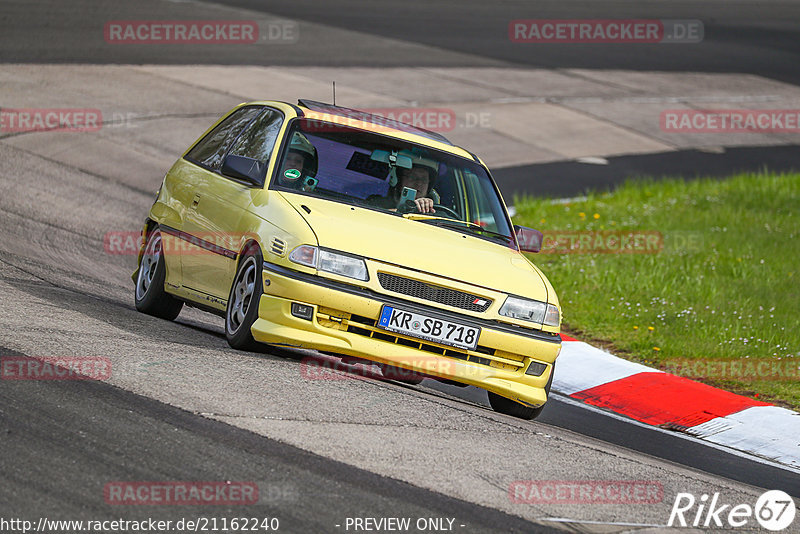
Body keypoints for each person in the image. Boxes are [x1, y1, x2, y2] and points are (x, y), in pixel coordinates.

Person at [371, 154, 439, 213]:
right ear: (399, 179)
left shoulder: (434, 213)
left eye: (424, 179)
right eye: (412, 177)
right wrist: (402, 211)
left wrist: (427, 210)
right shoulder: (376, 203)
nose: (419, 183)